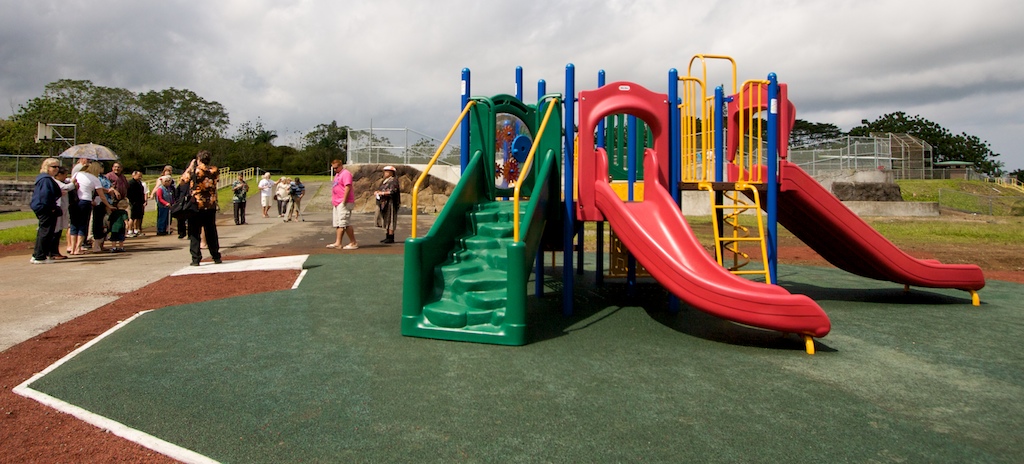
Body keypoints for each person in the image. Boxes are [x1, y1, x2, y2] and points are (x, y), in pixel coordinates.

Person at [182, 150, 222, 266]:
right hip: (210, 204)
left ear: (198, 159)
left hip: (197, 204)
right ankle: (216, 256)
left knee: (194, 231)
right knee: (211, 231)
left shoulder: (195, 171)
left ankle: (196, 258)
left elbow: (183, 181)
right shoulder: (214, 170)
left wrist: (190, 167)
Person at [69, 161, 112, 255]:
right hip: (85, 201)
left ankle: (72, 248)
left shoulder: (77, 174)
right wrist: (109, 205)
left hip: (75, 201)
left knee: (74, 224)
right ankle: (78, 248)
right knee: (83, 224)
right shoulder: (95, 179)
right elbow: (102, 196)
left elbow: (72, 184)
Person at [29, 158, 63, 264]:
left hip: (44, 207)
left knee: (43, 231)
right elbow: (45, 196)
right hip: (46, 208)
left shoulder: (46, 179)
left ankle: (37, 254)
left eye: (58, 167)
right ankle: (40, 256)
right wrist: (52, 208)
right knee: (46, 232)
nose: (56, 169)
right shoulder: (46, 180)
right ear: (46, 167)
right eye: (54, 167)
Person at [326, 159, 358, 250]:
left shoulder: (346, 173)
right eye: (333, 168)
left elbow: (348, 187)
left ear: (340, 166)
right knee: (338, 223)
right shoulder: (337, 175)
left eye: (336, 168)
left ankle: (353, 242)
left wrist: (344, 200)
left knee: (345, 222)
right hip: (336, 201)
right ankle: (338, 242)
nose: (335, 170)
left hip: (344, 201)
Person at [373, 165, 400, 243]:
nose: (385, 173)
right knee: (386, 219)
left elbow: (393, 191)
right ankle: (387, 235)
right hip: (384, 202)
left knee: (391, 219)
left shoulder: (393, 181)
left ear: (391, 173)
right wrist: (378, 192)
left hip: (391, 202)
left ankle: (391, 236)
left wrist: (382, 193)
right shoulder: (385, 181)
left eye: (387, 171)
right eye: (385, 171)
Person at [126, 171, 147, 237]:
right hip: (133, 202)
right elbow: (129, 193)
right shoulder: (131, 183)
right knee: (132, 217)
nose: (140, 177)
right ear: (134, 175)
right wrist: (132, 201)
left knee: (138, 217)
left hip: (139, 202)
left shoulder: (140, 183)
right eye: (139, 175)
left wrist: (143, 201)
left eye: (141, 176)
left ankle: (136, 230)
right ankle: (129, 230)